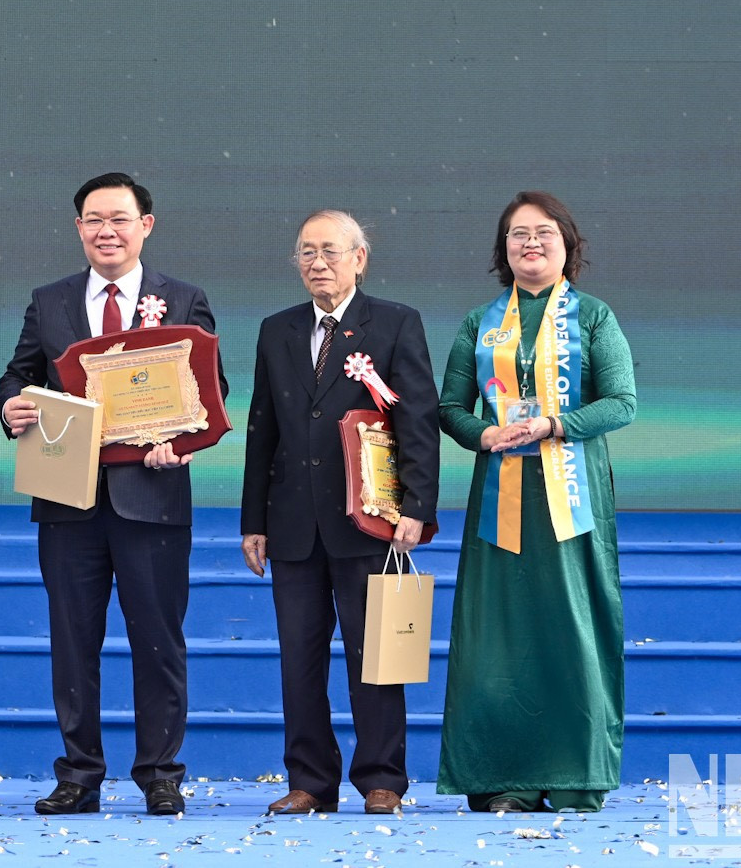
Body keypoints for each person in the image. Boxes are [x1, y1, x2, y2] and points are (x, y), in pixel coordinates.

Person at [0, 172, 222, 817]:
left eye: (120, 219)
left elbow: (212, 389)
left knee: (158, 640)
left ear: (145, 226)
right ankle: (79, 774)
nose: (107, 231)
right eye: (94, 220)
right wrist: (16, 400)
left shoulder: (183, 298)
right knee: (72, 642)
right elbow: (21, 372)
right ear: (78, 229)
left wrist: (179, 441)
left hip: (151, 495)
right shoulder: (50, 301)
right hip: (68, 497)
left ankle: (160, 773)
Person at [435, 191, 636, 813]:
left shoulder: (595, 317)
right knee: (500, 634)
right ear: (503, 250)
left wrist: (554, 425)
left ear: (567, 244)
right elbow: (448, 407)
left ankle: (575, 774)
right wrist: (482, 433)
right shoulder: (479, 322)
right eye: (517, 234)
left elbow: (621, 402)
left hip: (571, 499)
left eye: (543, 233)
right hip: (499, 504)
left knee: (570, 626)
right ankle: (504, 778)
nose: (530, 244)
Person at [240, 210, 442, 815]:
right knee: (298, 657)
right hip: (294, 526)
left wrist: (417, 504)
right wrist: (255, 520)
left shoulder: (395, 324)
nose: (317, 263)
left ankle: (382, 778)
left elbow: (418, 421)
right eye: (306, 252)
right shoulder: (276, 330)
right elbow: (262, 430)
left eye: (329, 251)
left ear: (360, 257)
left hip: (370, 521)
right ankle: (309, 781)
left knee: (374, 653)